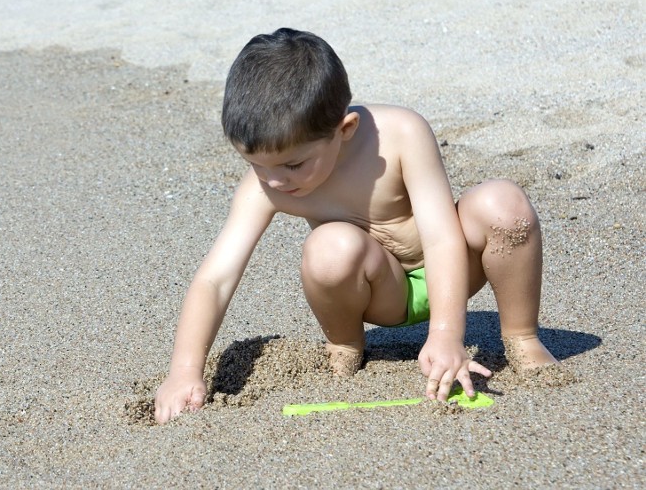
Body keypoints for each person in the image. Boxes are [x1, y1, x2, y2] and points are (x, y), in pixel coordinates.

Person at [153, 28, 559, 424]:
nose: (274, 180)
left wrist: (447, 333)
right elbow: (215, 279)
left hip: (454, 271)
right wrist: (184, 370)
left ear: (344, 130)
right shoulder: (266, 186)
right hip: (383, 292)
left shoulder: (400, 134)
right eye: (255, 164)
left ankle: (522, 338)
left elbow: (440, 238)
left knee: (502, 204)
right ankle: (345, 343)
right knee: (329, 246)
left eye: (293, 164)